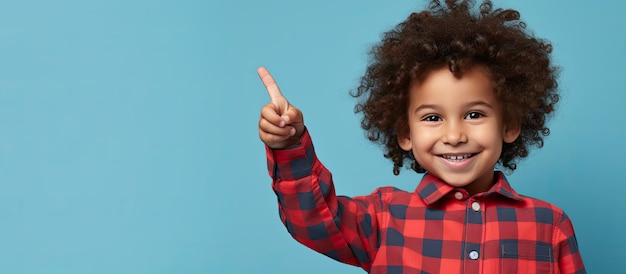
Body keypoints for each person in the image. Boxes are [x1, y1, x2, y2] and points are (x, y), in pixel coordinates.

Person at [257, 0, 586, 273]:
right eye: (432, 117)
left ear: (509, 125)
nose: (454, 135)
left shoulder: (550, 225)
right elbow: (314, 221)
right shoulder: (385, 219)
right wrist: (289, 146)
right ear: (405, 134)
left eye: (474, 114)